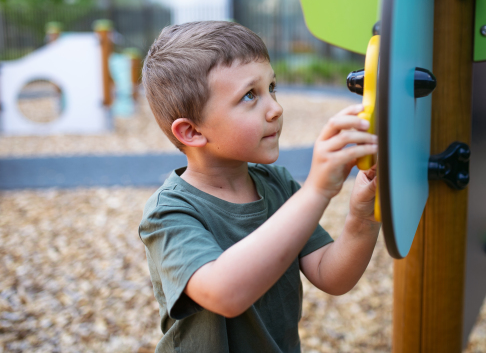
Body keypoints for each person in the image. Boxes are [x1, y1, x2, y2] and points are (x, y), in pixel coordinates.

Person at [139, 21, 380, 353]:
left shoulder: (277, 185)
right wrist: (317, 190)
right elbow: (225, 294)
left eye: (272, 87)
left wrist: (362, 218)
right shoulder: (170, 213)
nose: (276, 108)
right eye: (250, 95)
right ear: (192, 132)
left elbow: (331, 275)